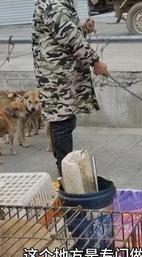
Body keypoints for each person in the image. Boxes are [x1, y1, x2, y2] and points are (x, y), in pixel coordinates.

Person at [32, 0, 109, 177]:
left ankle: (64, 166)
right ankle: (66, 170)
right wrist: (95, 62)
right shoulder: (54, 5)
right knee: (62, 123)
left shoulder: (57, 4)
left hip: (61, 75)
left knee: (64, 121)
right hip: (56, 77)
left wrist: (83, 29)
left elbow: (64, 33)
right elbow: (70, 38)